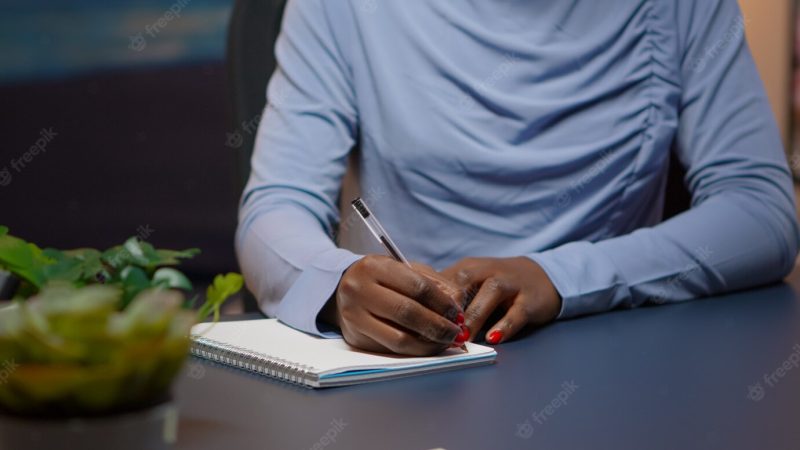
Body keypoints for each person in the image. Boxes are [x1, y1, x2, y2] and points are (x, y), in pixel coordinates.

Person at [236, 0, 799, 356]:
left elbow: (760, 214)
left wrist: (559, 278)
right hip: (407, 371)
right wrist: (337, 283)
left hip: (608, 359)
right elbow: (276, 205)